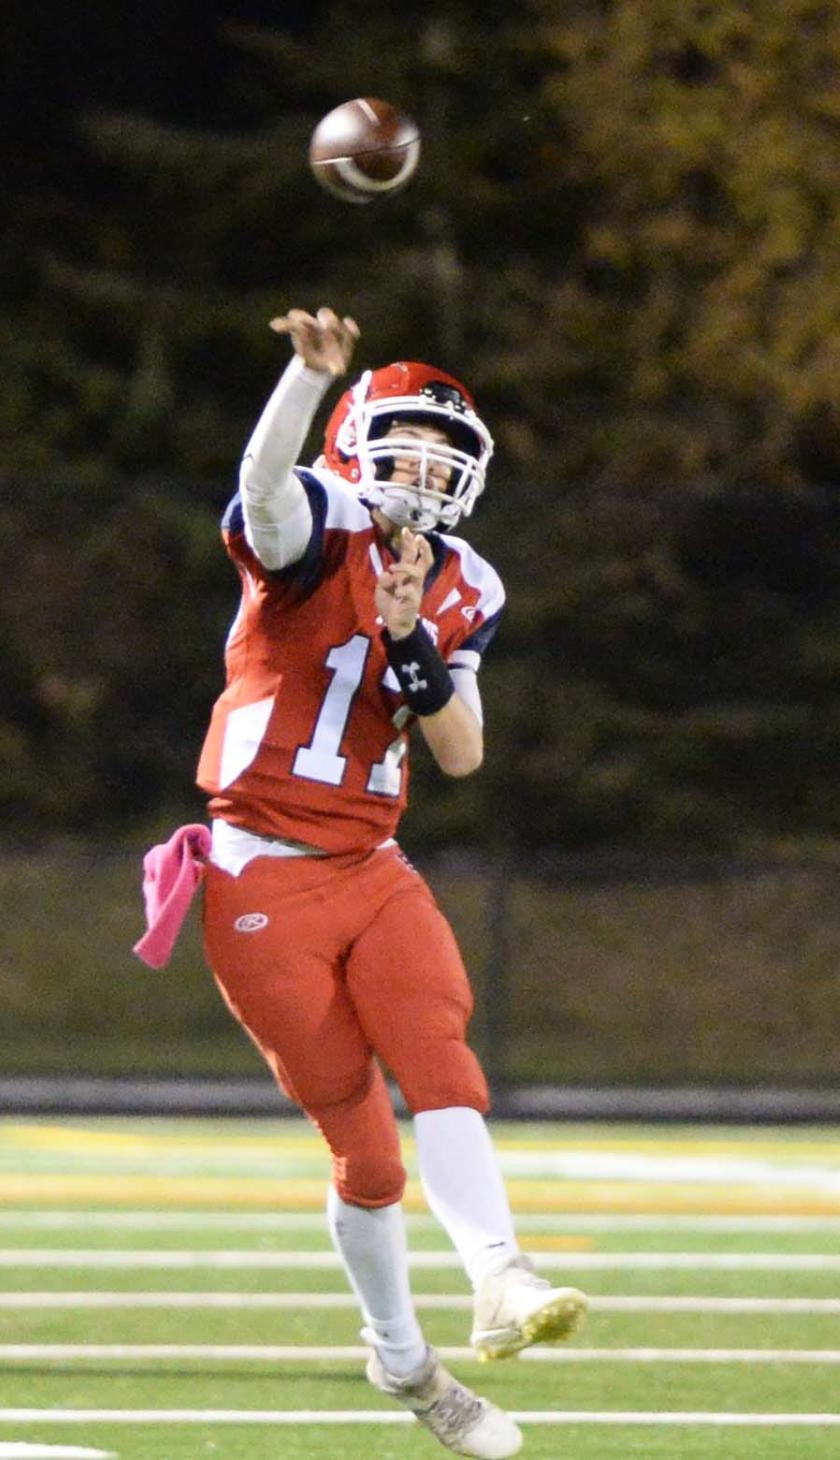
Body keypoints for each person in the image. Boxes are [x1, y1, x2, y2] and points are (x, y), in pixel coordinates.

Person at [195, 307, 587, 1459]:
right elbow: (264, 481)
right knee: (365, 1151)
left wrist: (413, 638)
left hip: (371, 862)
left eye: (441, 455)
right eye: (404, 444)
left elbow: (459, 748)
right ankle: (406, 1360)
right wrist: (301, 381)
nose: (422, 471)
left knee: (442, 1054)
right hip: (257, 866)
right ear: (358, 440)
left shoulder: (466, 578)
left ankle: (501, 1272)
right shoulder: (318, 515)